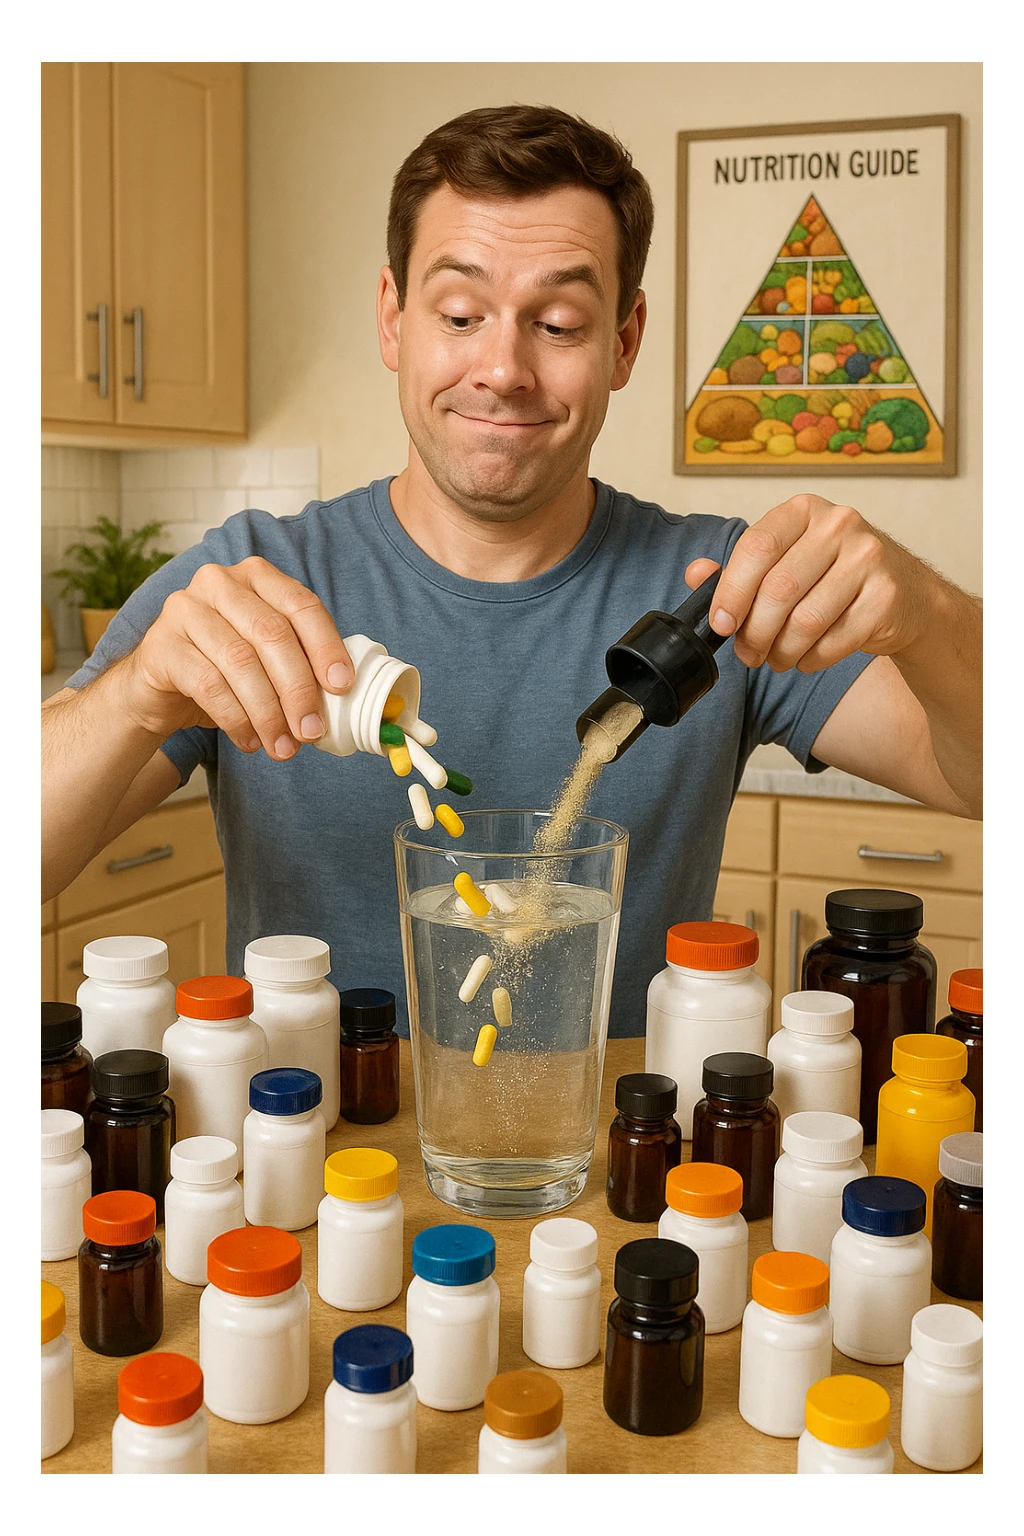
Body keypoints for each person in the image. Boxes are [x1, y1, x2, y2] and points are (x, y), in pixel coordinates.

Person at [41, 105, 982, 1038]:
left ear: (622, 341)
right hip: (312, 1154)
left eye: (560, 323)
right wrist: (136, 697)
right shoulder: (252, 583)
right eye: (459, 313)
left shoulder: (724, 597)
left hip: (622, 1166)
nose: (503, 368)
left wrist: (929, 616)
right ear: (392, 318)